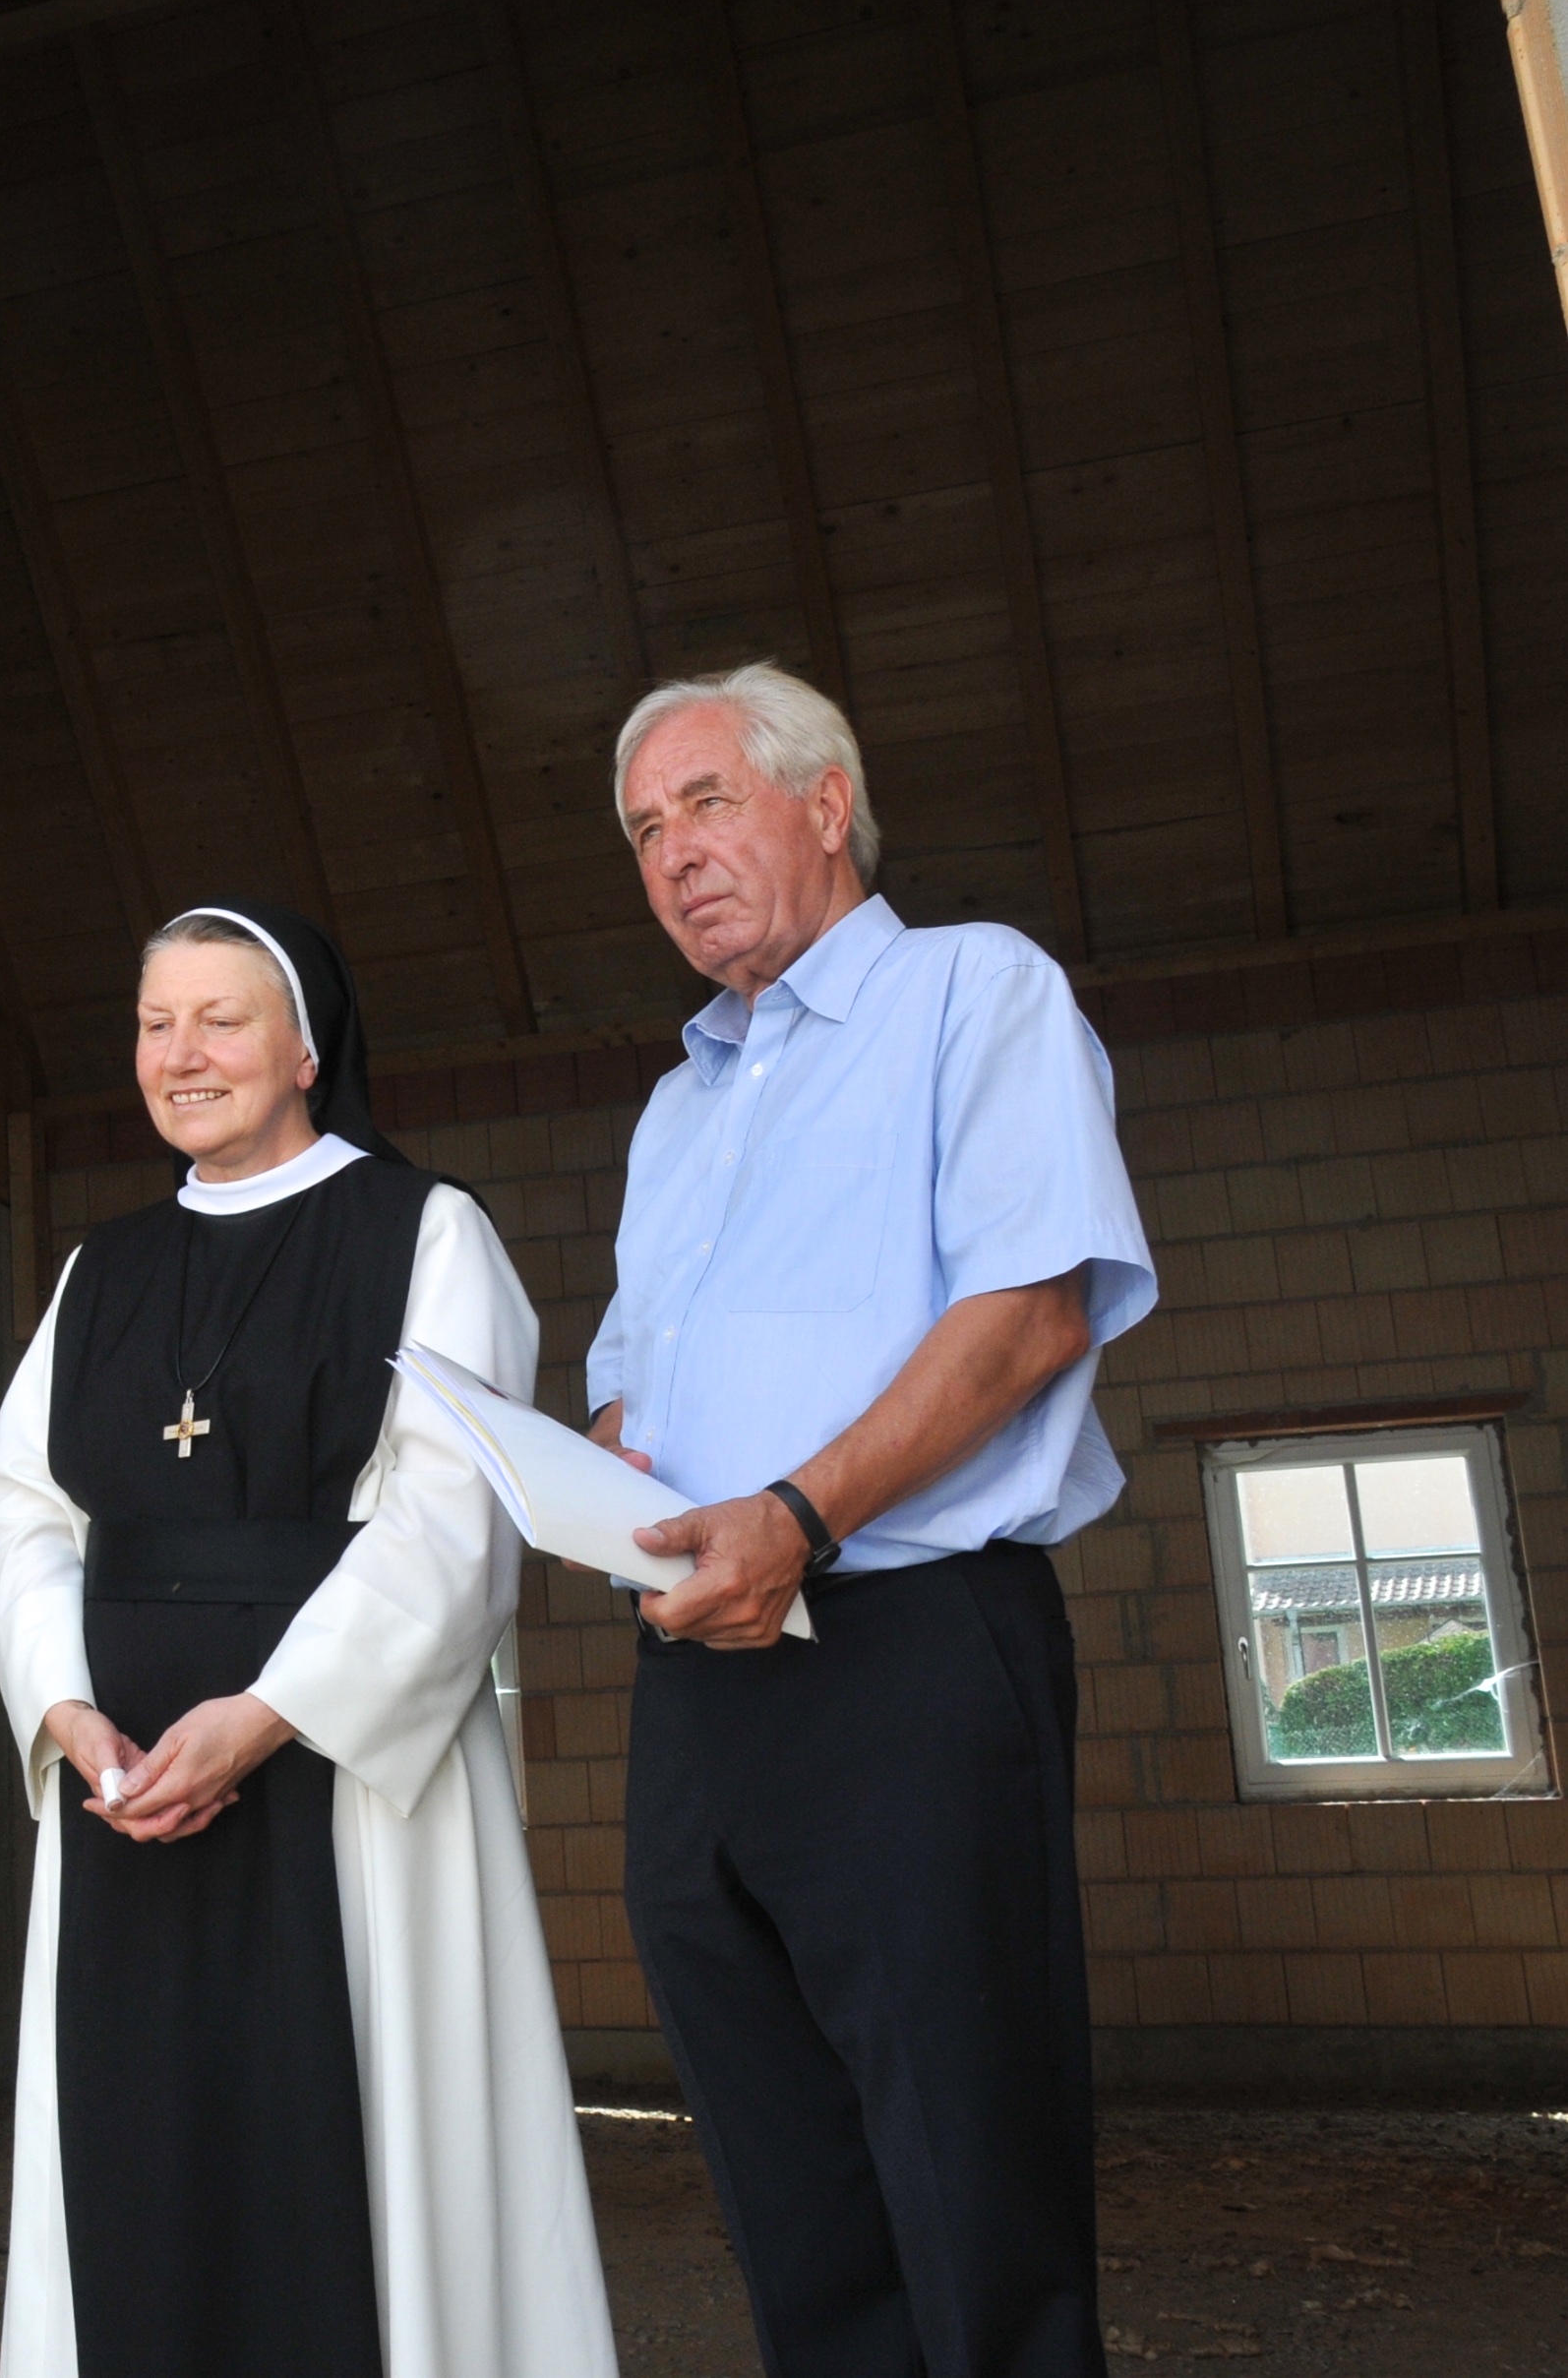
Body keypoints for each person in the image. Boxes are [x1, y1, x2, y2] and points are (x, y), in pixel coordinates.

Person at [592, 665, 1156, 2378]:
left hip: (908, 1652)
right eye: (641, 832)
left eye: (705, 803)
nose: (674, 855)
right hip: (701, 1684)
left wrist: (797, 1517)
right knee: (789, 2198)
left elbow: (1028, 1313)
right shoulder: (673, 1108)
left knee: (967, 2184)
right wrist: (592, 1486)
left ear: (824, 803)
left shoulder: (972, 992)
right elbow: (631, 1399)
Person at [0, 900, 617, 2378]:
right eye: (153, 1023)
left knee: (351, 2164)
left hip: (341, 1782)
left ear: (307, 1046)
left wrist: (266, 1718)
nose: (180, 1054)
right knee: (133, 2152)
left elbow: (455, 1517)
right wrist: (66, 1710)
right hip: (123, 1786)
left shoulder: (424, 1230)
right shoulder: (101, 1270)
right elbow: (21, 1505)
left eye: (221, 1018)